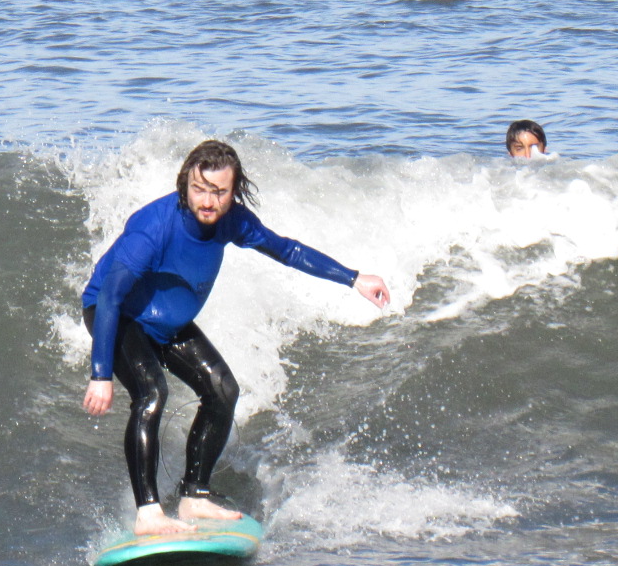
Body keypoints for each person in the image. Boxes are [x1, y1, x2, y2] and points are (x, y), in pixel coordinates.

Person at [80, 139, 391, 537]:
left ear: (234, 190)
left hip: (166, 322)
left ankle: (194, 496)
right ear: (183, 185)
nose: (208, 201)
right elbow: (109, 295)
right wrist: (101, 373)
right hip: (118, 315)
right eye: (199, 189)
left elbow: (288, 251)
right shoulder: (153, 228)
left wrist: (353, 278)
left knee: (222, 390)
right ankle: (148, 512)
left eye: (219, 191)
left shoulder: (232, 222)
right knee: (151, 393)